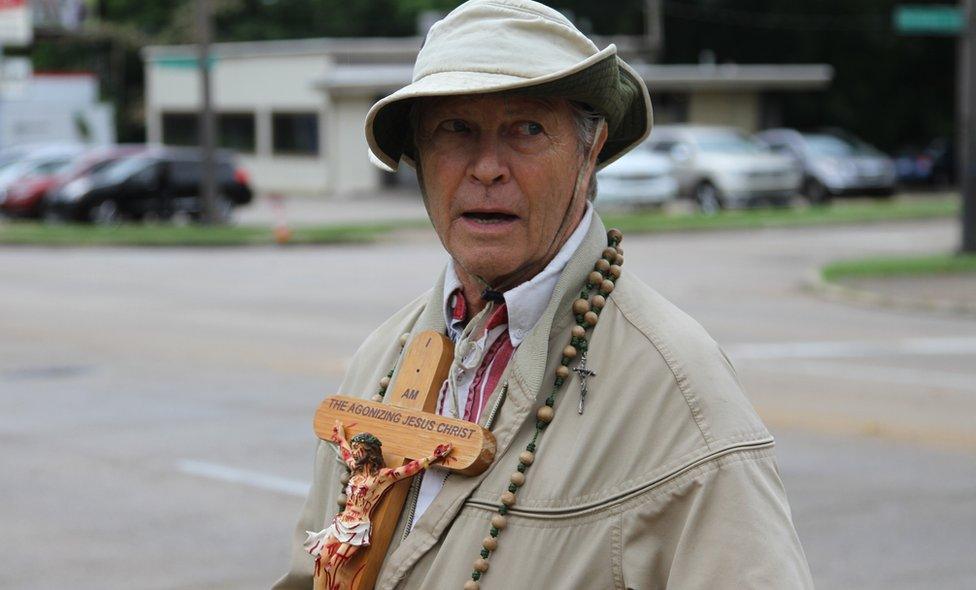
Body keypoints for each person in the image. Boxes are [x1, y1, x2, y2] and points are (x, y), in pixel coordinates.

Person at [275, 1, 813, 589]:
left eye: (527, 129)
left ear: (590, 152)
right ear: (419, 159)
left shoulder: (677, 389)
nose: (486, 168)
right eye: (454, 130)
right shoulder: (380, 360)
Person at [303, 423, 452, 577]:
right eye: (353, 448)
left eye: (357, 449)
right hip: (341, 523)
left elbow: (409, 469)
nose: (353, 452)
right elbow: (346, 453)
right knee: (322, 560)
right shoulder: (356, 468)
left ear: (369, 452)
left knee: (334, 566)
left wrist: (433, 457)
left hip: (357, 528)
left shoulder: (381, 477)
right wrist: (340, 437)